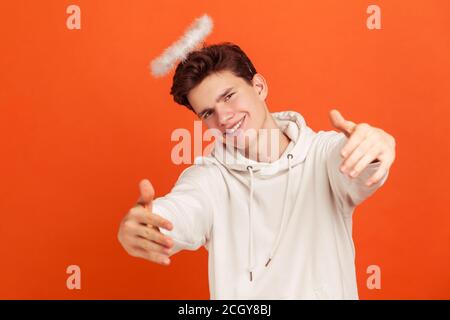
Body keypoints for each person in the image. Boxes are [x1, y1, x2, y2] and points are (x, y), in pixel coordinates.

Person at [117, 42, 396, 299]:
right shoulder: (209, 179)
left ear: (259, 87)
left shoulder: (323, 155)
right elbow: (181, 211)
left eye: (228, 96)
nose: (223, 118)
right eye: (207, 113)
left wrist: (375, 146)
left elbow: (358, 165)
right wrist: (147, 224)